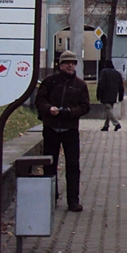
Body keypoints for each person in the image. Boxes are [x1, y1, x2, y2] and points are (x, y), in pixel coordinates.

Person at [35, 50, 91, 212]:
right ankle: (50, 197)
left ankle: (73, 201)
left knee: (73, 165)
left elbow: (85, 106)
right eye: (67, 63)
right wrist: (48, 109)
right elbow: (40, 100)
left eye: (73, 63)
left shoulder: (80, 85)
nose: (70, 65)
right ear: (60, 65)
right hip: (51, 127)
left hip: (70, 129)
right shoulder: (50, 81)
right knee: (50, 164)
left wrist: (69, 112)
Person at [97, 63, 125, 131]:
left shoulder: (104, 72)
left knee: (108, 109)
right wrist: (121, 96)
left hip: (105, 94)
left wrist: (98, 94)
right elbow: (121, 86)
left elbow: (101, 84)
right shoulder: (117, 73)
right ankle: (106, 126)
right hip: (114, 94)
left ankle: (116, 124)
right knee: (109, 110)